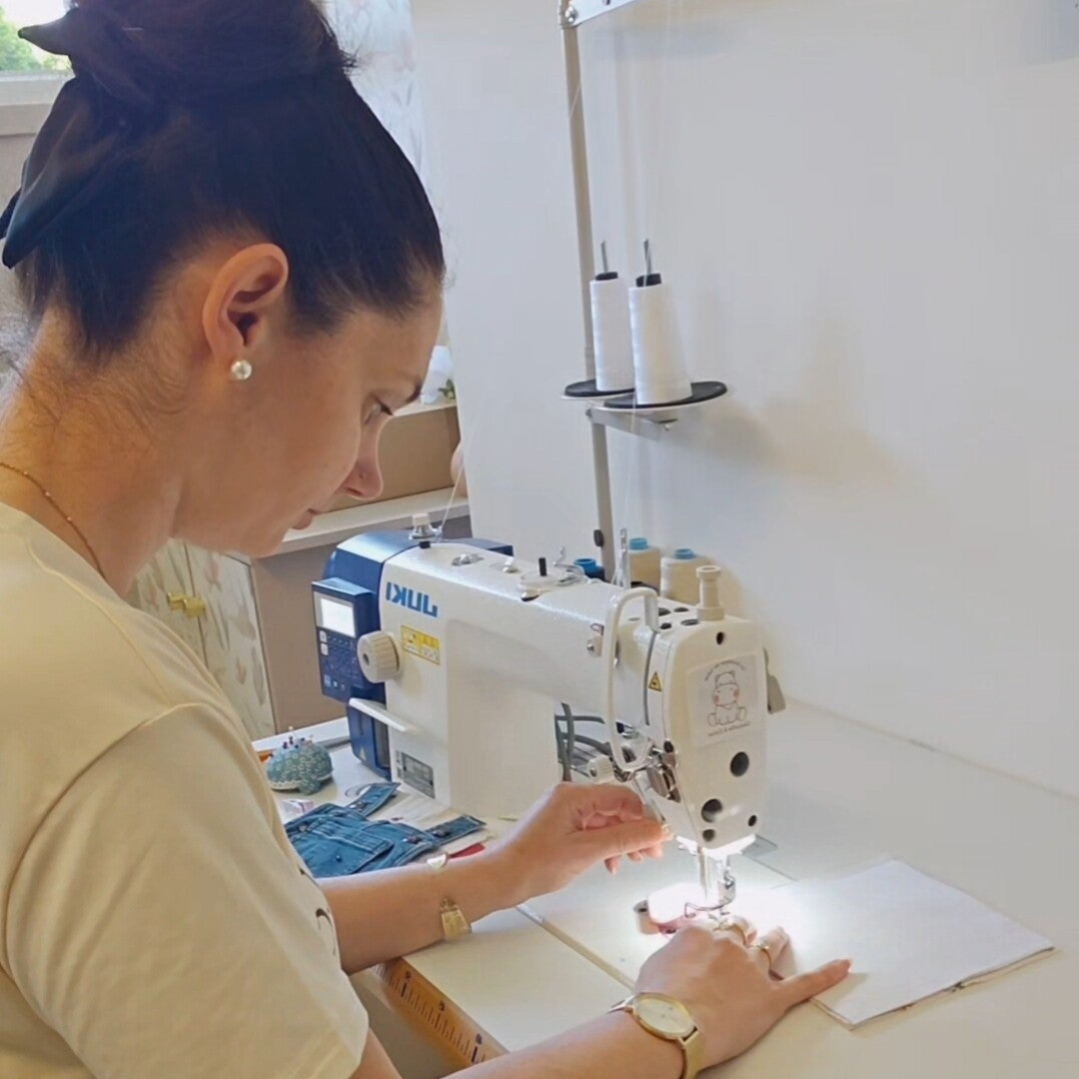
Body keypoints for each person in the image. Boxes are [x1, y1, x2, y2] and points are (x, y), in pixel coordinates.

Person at [0, 3, 849, 1078]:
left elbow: (231, 941)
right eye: (373, 403)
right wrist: (672, 1023)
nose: (366, 472)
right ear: (244, 312)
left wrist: (502, 872)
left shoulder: (37, 616)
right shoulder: (113, 717)